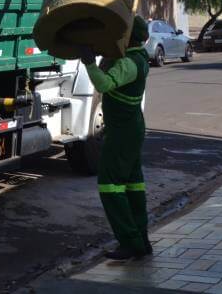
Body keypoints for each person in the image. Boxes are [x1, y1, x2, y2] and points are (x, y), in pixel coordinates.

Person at [78, 16, 152, 261]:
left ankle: (130, 242)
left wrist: (89, 63)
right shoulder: (138, 57)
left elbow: (102, 84)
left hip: (122, 133)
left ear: (128, 38)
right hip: (131, 129)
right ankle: (141, 240)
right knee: (133, 184)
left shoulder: (129, 63)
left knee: (109, 185)